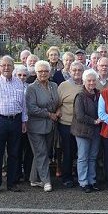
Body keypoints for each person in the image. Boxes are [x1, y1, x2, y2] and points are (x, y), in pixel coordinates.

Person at [0, 55, 28, 194]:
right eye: (3, 65)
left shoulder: (19, 83)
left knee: (14, 153)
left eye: (9, 65)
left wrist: (24, 121)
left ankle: (12, 182)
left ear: (13, 67)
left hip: (15, 120)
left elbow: (23, 104)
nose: (6, 68)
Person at [26, 60, 60, 192]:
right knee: (41, 153)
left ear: (50, 72)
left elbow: (58, 101)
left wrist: (58, 110)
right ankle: (46, 181)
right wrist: (49, 114)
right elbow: (32, 108)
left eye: (46, 71)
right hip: (36, 126)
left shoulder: (54, 85)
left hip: (51, 126)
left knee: (43, 152)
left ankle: (34, 179)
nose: (43, 73)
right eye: (40, 71)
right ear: (35, 72)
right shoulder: (31, 88)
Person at [71, 69, 102, 193]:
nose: (91, 83)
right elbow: (79, 116)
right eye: (89, 80)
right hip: (83, 131)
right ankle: (83, 182)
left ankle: (92, 180)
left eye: (93, 80)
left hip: (96, 131)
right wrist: (94, 121)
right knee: (83, 157)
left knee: (93, 157)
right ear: (84, 81)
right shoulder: (80, 96)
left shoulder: (99, 95)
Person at [57, 61, 85, 187]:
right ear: (69, 72)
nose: (77, 72)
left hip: (83, 125)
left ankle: (81, 176)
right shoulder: (63, 86)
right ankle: (67, 177)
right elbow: (57, 104)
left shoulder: (87, 84)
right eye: (74, 70)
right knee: (68, 151)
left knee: (82, 152)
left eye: (79, 70)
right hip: (66, 124)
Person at [13, 65, 32, 181]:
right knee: (16, 148)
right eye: (19, 75)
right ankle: (16, 173)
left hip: (28, 121)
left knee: (28, 149)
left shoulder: (30, 88)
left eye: (24, 75)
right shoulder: (11, 87)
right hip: (15, 121)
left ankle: (28, 173)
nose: (22, 77)